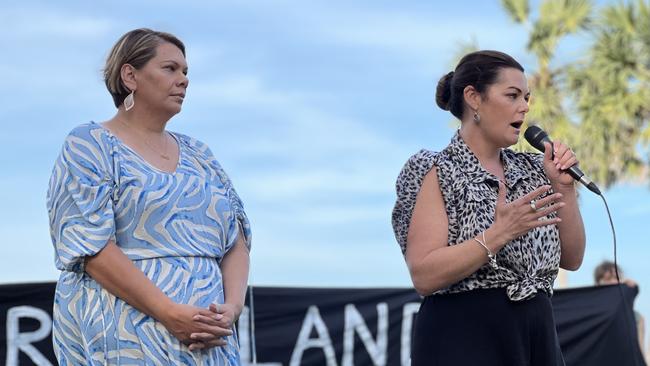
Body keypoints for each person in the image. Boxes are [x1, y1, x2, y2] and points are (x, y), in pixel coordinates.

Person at [46, 28, 251, 365]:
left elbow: (237, 238)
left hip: (208, 343)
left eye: (186, 72)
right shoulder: (89, 144)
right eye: (170, 69)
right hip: (125, 338)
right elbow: (90, 247)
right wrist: (169, 313)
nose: (184, 80)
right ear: (130, 76)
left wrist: (231, 308)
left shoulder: (200, 154)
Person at [391, 50, 586, 365]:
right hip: (463, 338)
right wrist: (500, 233)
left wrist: (564, 187)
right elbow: (425, 275)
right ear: (474, 98)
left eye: (526, 97)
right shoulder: (436, 169)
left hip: (536, 338)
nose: (524, 106)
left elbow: (573, 259)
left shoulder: (536, 169)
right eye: (512, 95)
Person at [594, 261, 646, 359]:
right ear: (598, 284)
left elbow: (639, 352)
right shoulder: (591, 312)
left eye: (617, 278)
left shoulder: (637, 318)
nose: (614, 282)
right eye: (609, 278)